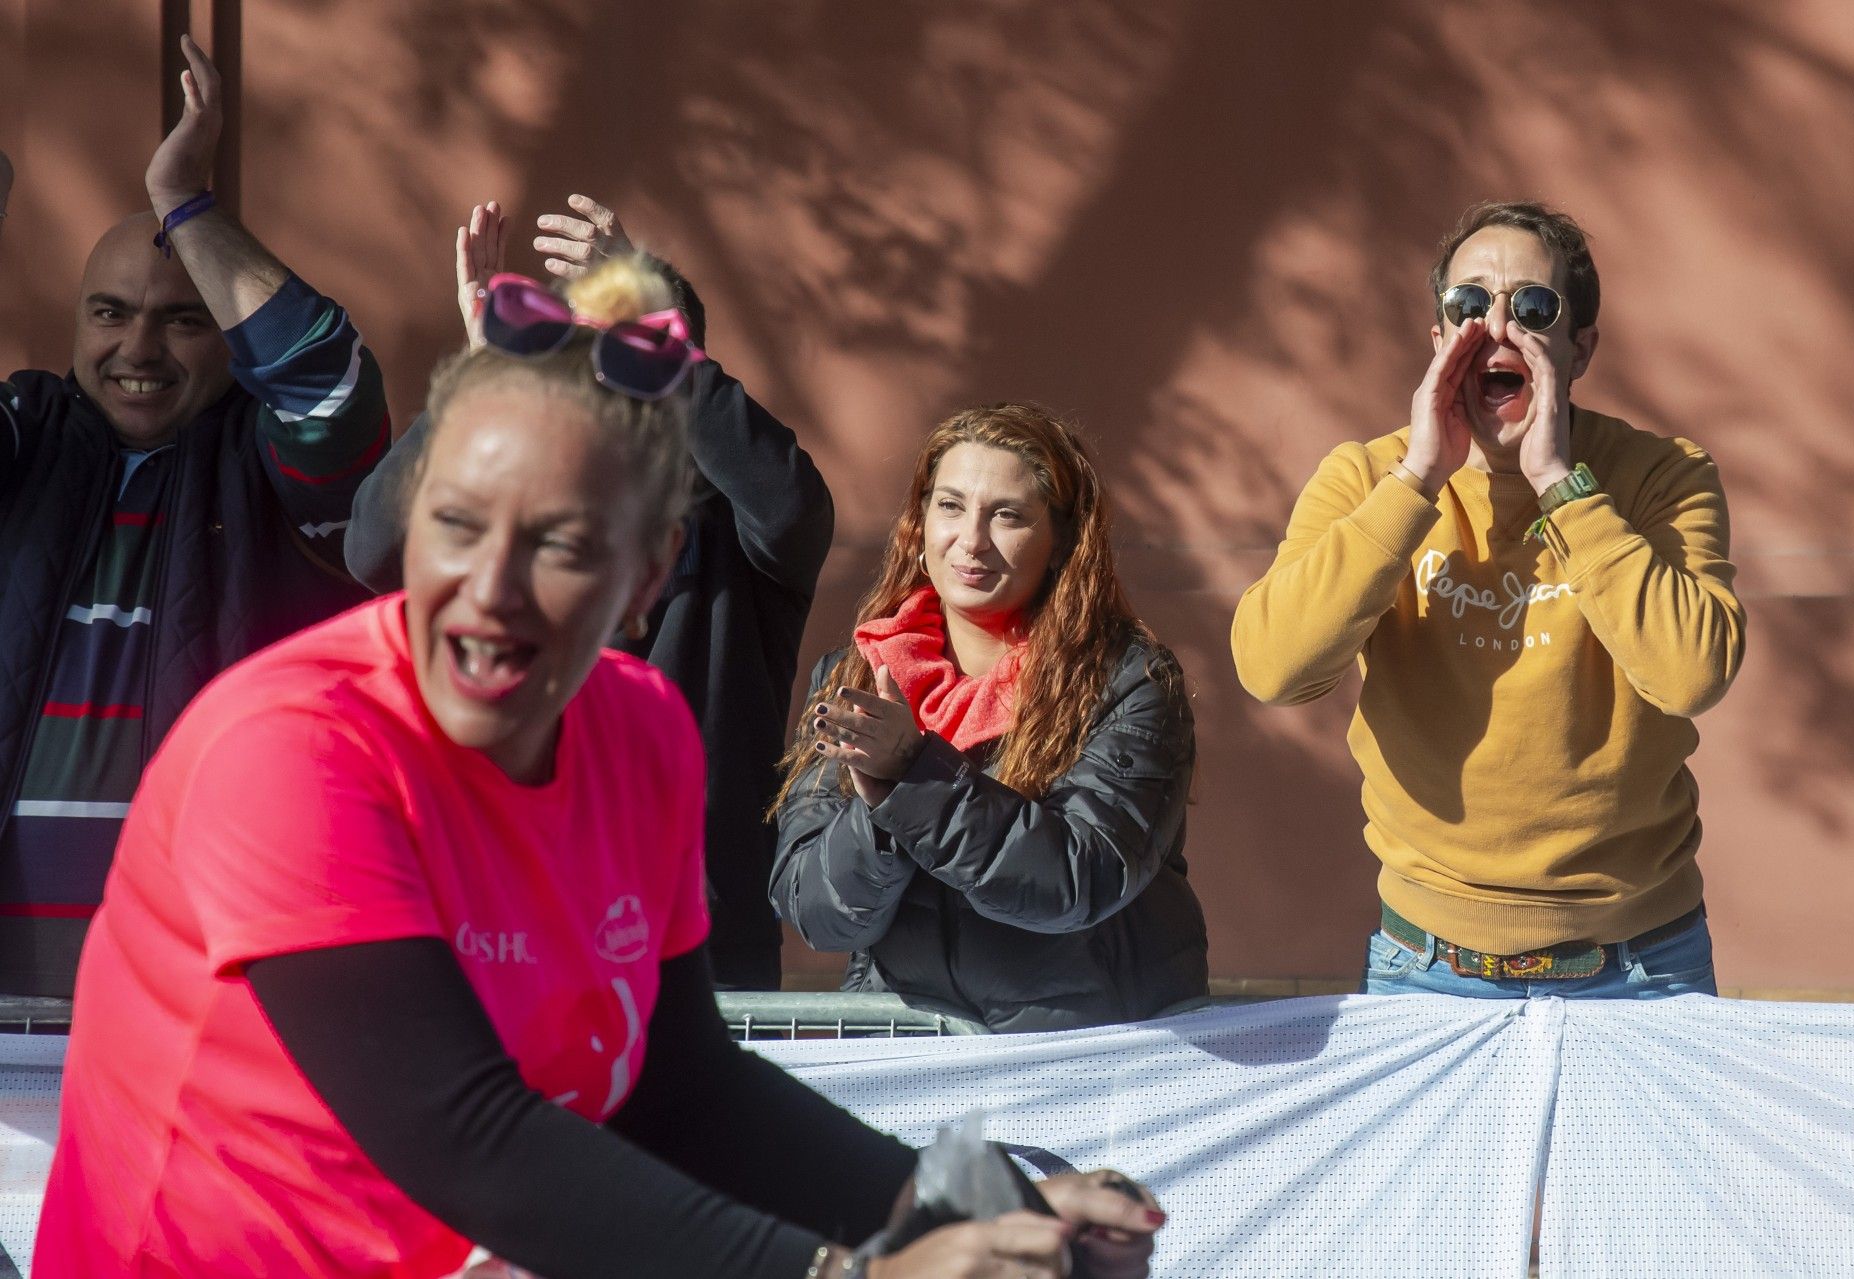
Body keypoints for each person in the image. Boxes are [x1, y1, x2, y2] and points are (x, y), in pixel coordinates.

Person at [36, 253, 1161, 1279]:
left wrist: (977, 1203)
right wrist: (852, 1274)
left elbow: (681, 1087)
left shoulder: (643, 732)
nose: (490, 588)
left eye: (561, 544)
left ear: (647, 573)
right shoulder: (292, 746)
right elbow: (462, 1136)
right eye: (457, 525)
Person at [1231, 200, 1745, 999]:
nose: (1496, 327)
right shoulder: (1367, 477)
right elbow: (1272, 668)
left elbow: (1690, 676)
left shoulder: (1661, 476)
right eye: (1468, 303)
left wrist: (1559, 484)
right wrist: (1417, 480)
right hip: (1426, 964)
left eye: (1531, 307)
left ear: (1579, 348)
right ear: (1439, 337)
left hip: (1640, 963)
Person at [345, 196, 832, 991]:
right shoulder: (512, 519)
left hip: (695, 940)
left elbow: (790, 507)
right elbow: (377, 547)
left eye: (630, 348)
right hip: (516, 916)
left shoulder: (742, 533)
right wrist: (482, 378)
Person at [0, 38, 387, 996]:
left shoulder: (272, 462)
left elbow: (332, 388)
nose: (138, 347)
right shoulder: (25, 436)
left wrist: (183, 201)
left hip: (202, 994)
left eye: (183, 319)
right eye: (109, 313)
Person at [771, 403, 1208, 1033]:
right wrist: (882, 810)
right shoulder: (858, 675)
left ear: (1062, 541)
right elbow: (819, 914)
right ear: (919, 523)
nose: (971, 541)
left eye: (1007, 515)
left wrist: (915, 777)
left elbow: (1079, 879)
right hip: (910, 1049)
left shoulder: (1128, 679)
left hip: (1085, 1054)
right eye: (950, 506)